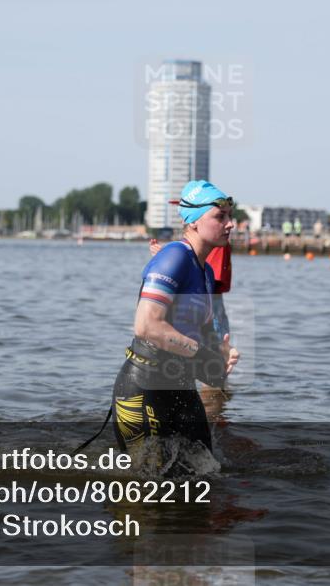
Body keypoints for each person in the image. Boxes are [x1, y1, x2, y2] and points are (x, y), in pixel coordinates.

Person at [113, 181, 240, 456]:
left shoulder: (205, 271)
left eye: (231, 216)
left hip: (181, 385)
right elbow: (146, 325)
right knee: (147, 488)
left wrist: (219, 354)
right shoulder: (174, 257)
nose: (231, 224)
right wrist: (200, 354)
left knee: (205, 475)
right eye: (220, 217)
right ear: (193, 222)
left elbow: (199, 336)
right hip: (145, 385)